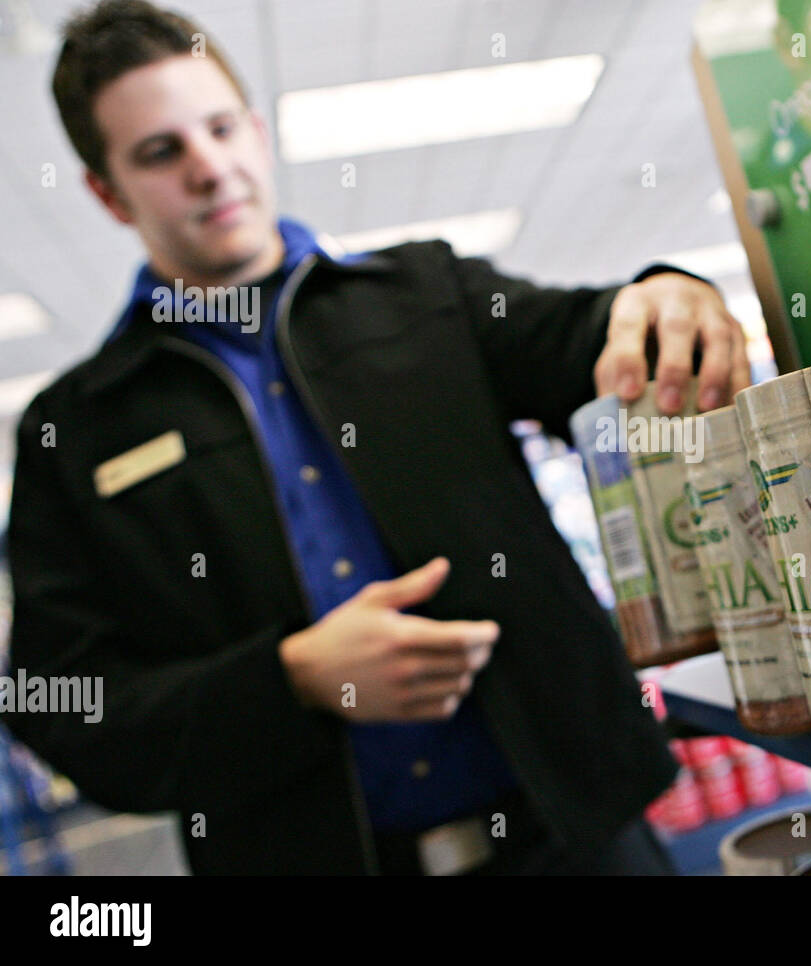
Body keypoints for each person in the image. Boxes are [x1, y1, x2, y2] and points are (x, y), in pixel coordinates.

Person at [1, 0, 749, 875]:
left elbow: (588, 341)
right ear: (105, 190)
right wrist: (290, 680)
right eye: (162, 152)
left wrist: (663, 293)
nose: (210, 168)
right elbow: (67, 707)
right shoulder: (78, 427)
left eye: (220, 127)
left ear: (256, 129)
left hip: (580, 845)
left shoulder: (426, 294)